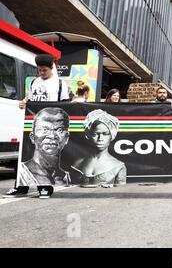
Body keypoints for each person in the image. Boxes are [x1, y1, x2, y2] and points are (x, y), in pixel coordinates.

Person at [3, 54, 71, 199]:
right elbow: (29, 99)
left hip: (50, 123)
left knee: (48, 157)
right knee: (25, 154)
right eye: (39, 70)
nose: (41, 73)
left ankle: (45, 187)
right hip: (33, 123)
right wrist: (23, 102)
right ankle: (21, 186)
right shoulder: (34, 82)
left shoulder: (60, 84)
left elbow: (66, 105)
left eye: (44, 70)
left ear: (51, 68)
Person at [71, 109, 126, 188]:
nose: (100, 138)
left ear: (111, 135)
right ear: (89, 134)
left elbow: (120, 195)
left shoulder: (118, 166)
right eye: (96, 134)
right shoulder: (77, 164)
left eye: (105, 134)